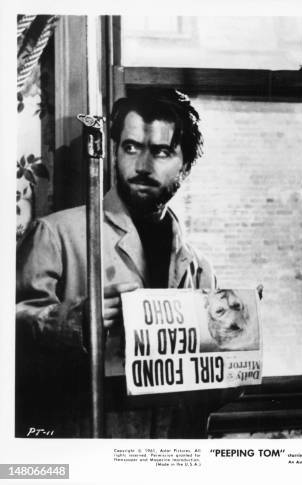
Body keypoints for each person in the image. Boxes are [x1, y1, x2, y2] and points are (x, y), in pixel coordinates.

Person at [16, 87, 217, 438]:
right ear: (113, 151)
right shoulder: (57, 234)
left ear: (185, 165)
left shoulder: (198, 267)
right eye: (130, 147)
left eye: (161, 152)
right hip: (88, 446)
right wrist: (66, 323)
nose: (141, 165)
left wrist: (235, 349)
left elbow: (202, 388)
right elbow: (12, 339)